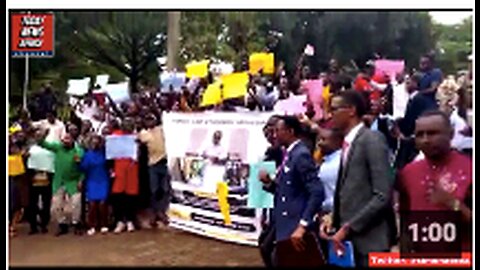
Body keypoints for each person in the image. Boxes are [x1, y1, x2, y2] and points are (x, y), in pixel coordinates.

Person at [320, 90, 395, 267]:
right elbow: (352, 190)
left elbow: (382, 195)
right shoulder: (348, 144)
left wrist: (348, 227)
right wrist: (333, 217)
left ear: (351, 110)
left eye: (334, 109)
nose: (330, 115)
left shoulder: (372, 140)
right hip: (349, 244)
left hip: (370, 243)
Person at [397, 110, 472, 251]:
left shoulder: (469, 169)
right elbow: (405, 222)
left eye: (432, 133)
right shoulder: (408, 172)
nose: (425, 140)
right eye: (420, 135)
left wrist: (454, 204)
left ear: (450, 134)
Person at [259, 116, 325, 263]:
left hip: (294, 225)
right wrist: (269, 183)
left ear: (290, 131)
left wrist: (303, 225)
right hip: (283, 224)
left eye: (278, 131)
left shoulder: (301, 155)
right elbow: (286, 190)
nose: (274, 135)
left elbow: (316, 192)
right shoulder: (289, 154)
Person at [37, 132, 84, 236]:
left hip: (73, 181)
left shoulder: (79, 151)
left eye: (68, 139)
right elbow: (41, 143)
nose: (66, 141)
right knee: (56, 206)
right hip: (58, 181)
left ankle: (76, 223)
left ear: (72, 140)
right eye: (64, 139)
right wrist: (43, 134)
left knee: (76, 203)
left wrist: (81, 180)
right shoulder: (58, 147)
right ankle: (62, 225)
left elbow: (83, 168)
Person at [395, 73, 438, 169]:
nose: (406, 85)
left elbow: (413, 118)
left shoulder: (418, 99)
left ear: (415, 84)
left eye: (409, 82)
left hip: (412, 137)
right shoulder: (414, 98)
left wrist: (405, 132)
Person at [258, 115, 282, 267]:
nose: (270, 137)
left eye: (273, 132)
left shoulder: (289, 153)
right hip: (272, 208)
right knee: (264, 244)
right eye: (267, 134)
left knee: (269, 248)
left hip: (285, 210)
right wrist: (264, 213)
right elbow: (264, 187)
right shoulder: (270, 154)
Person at [138, 113, 170, 227]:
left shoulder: (162, 129)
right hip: (153, 165)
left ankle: (162, 212)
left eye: (151, 119)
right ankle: (155, 213)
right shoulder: (143, 134)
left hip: (165, 163)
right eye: (147, 120)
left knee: (165, 190)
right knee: (154, 190)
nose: (150, 122)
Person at [111, 118, 139, 233]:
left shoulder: (136, 137)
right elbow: (111, 154)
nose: (127, 126)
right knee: (118, 197)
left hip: (132, 169)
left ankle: (130, 221)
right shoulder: (115, 136)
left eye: (130, 124)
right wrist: (111, 169)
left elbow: (139, 154)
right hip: (119, 169)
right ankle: (119, 221)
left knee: (130, 197)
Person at [79, 134, 110, 236]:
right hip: (91, 181)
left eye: (97, 141)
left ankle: (104, 224)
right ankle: (92, 225)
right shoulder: (87, 155)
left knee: (102, 204)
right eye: (93, 142)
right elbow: (83, 168)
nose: (95, 143)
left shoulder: (104, 154)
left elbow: (109, 165)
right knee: (92, 204)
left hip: (103, 180)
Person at [316, 128, 343, 215]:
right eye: (319, 139)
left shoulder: (340, 162)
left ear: (337, 141)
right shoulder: (324, 161)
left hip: (336, 212)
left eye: (323, 140)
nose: (319, 143)